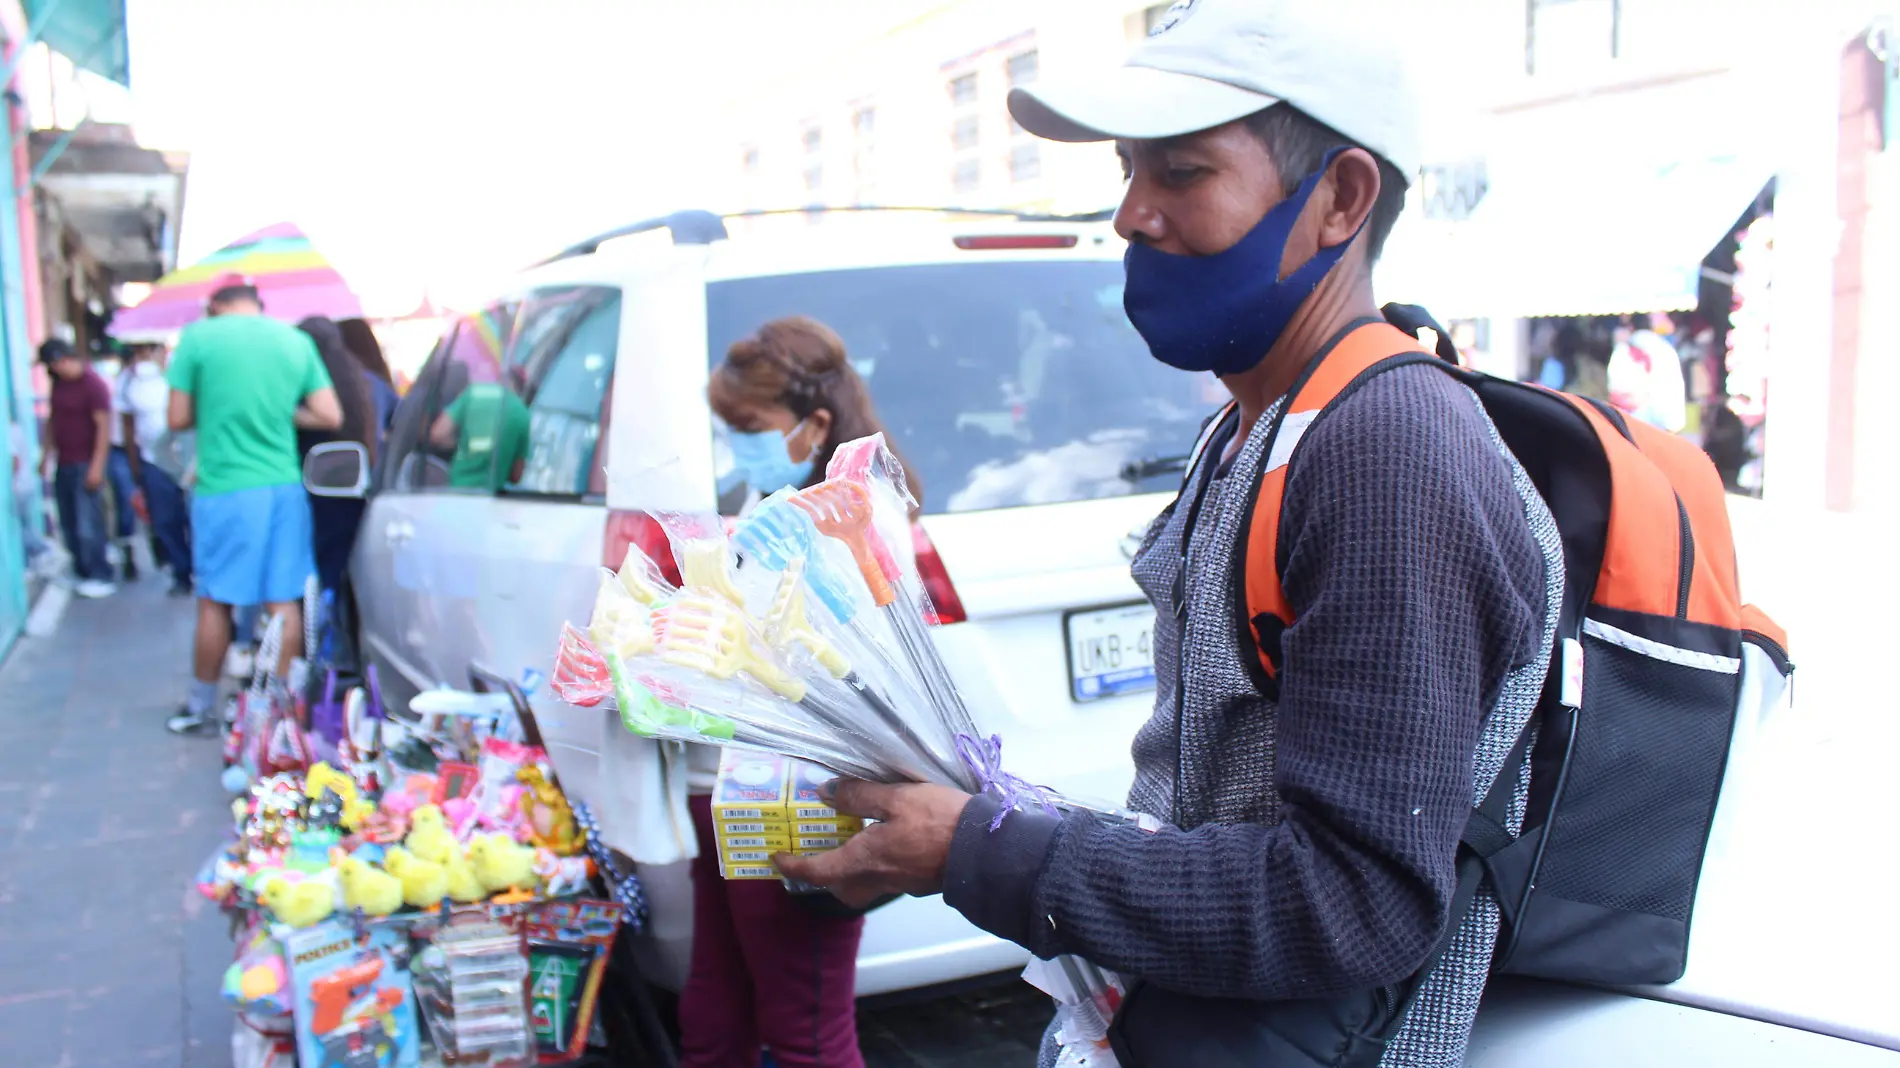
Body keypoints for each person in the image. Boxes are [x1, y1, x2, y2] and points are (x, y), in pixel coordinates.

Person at [775, 5, 1561, 1067]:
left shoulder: (1386, 449)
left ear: (1339, 198)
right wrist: (970, 826)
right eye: (1127, 171)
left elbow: (1352, 904)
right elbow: (1205, 817)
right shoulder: (1256, 424)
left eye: (1181, 174)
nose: (1131, 216)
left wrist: (981, 851)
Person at [678, 315, 914, 1068]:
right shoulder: (779, 506)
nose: (737, 444)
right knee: (720, 1001)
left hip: (796, 796)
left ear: (813, 424)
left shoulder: (849, 522)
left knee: (803, 1024)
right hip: (732, 786)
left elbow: (849, 672)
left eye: (748, 426)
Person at [165, 282, 341, 733]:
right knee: (283, 602)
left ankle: (200, 706)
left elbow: (176, 418)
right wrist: (280, 413)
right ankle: (278, 713)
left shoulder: (199, 338)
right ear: (259, 306)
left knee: (215, 602)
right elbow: (328, 415)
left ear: (215, 307)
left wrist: (218, 409)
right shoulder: (293, 341)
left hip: (224, 489)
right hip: (283, 488)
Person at [296, 317, 380, 594]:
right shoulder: (358, 379)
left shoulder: (308, 386)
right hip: (353, 486)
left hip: (315, 487)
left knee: (315, 572)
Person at [40, 338, 117, 598]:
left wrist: (97, 466)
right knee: (69, 521)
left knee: (88, 523)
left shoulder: (93, 385)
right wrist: (45, 454)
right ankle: (82, 571)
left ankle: (100, 573)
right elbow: (53, 420)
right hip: (64, 461)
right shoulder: (58, 384)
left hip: (86, 461)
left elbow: (103, 428)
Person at [118, 342, 194, 596]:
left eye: (151, 351)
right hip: (154, 461)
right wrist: (134, 462)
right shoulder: (129, 382)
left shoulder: (182, 377)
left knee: (194, 515)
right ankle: (181, 571)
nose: (146, 357)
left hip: (189, 459)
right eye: (141, 352)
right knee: (165, 519)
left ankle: (200, 567)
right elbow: (127, 423)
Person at [428, 371, 531, 492]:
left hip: (457, 492)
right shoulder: (523, 413)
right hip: (491, 499)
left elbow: (438, 434)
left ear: (497, 381)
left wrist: (460, 443)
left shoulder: (474, 393)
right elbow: (516, 476)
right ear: (520, 391)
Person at [1607, 311, 1687, 433]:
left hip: (1632, 420)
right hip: (1663, 420)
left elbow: (1615, 387)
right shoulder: (1666, 349)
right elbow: (1675, 384)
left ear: (1631, 327)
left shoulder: (1623, 350)